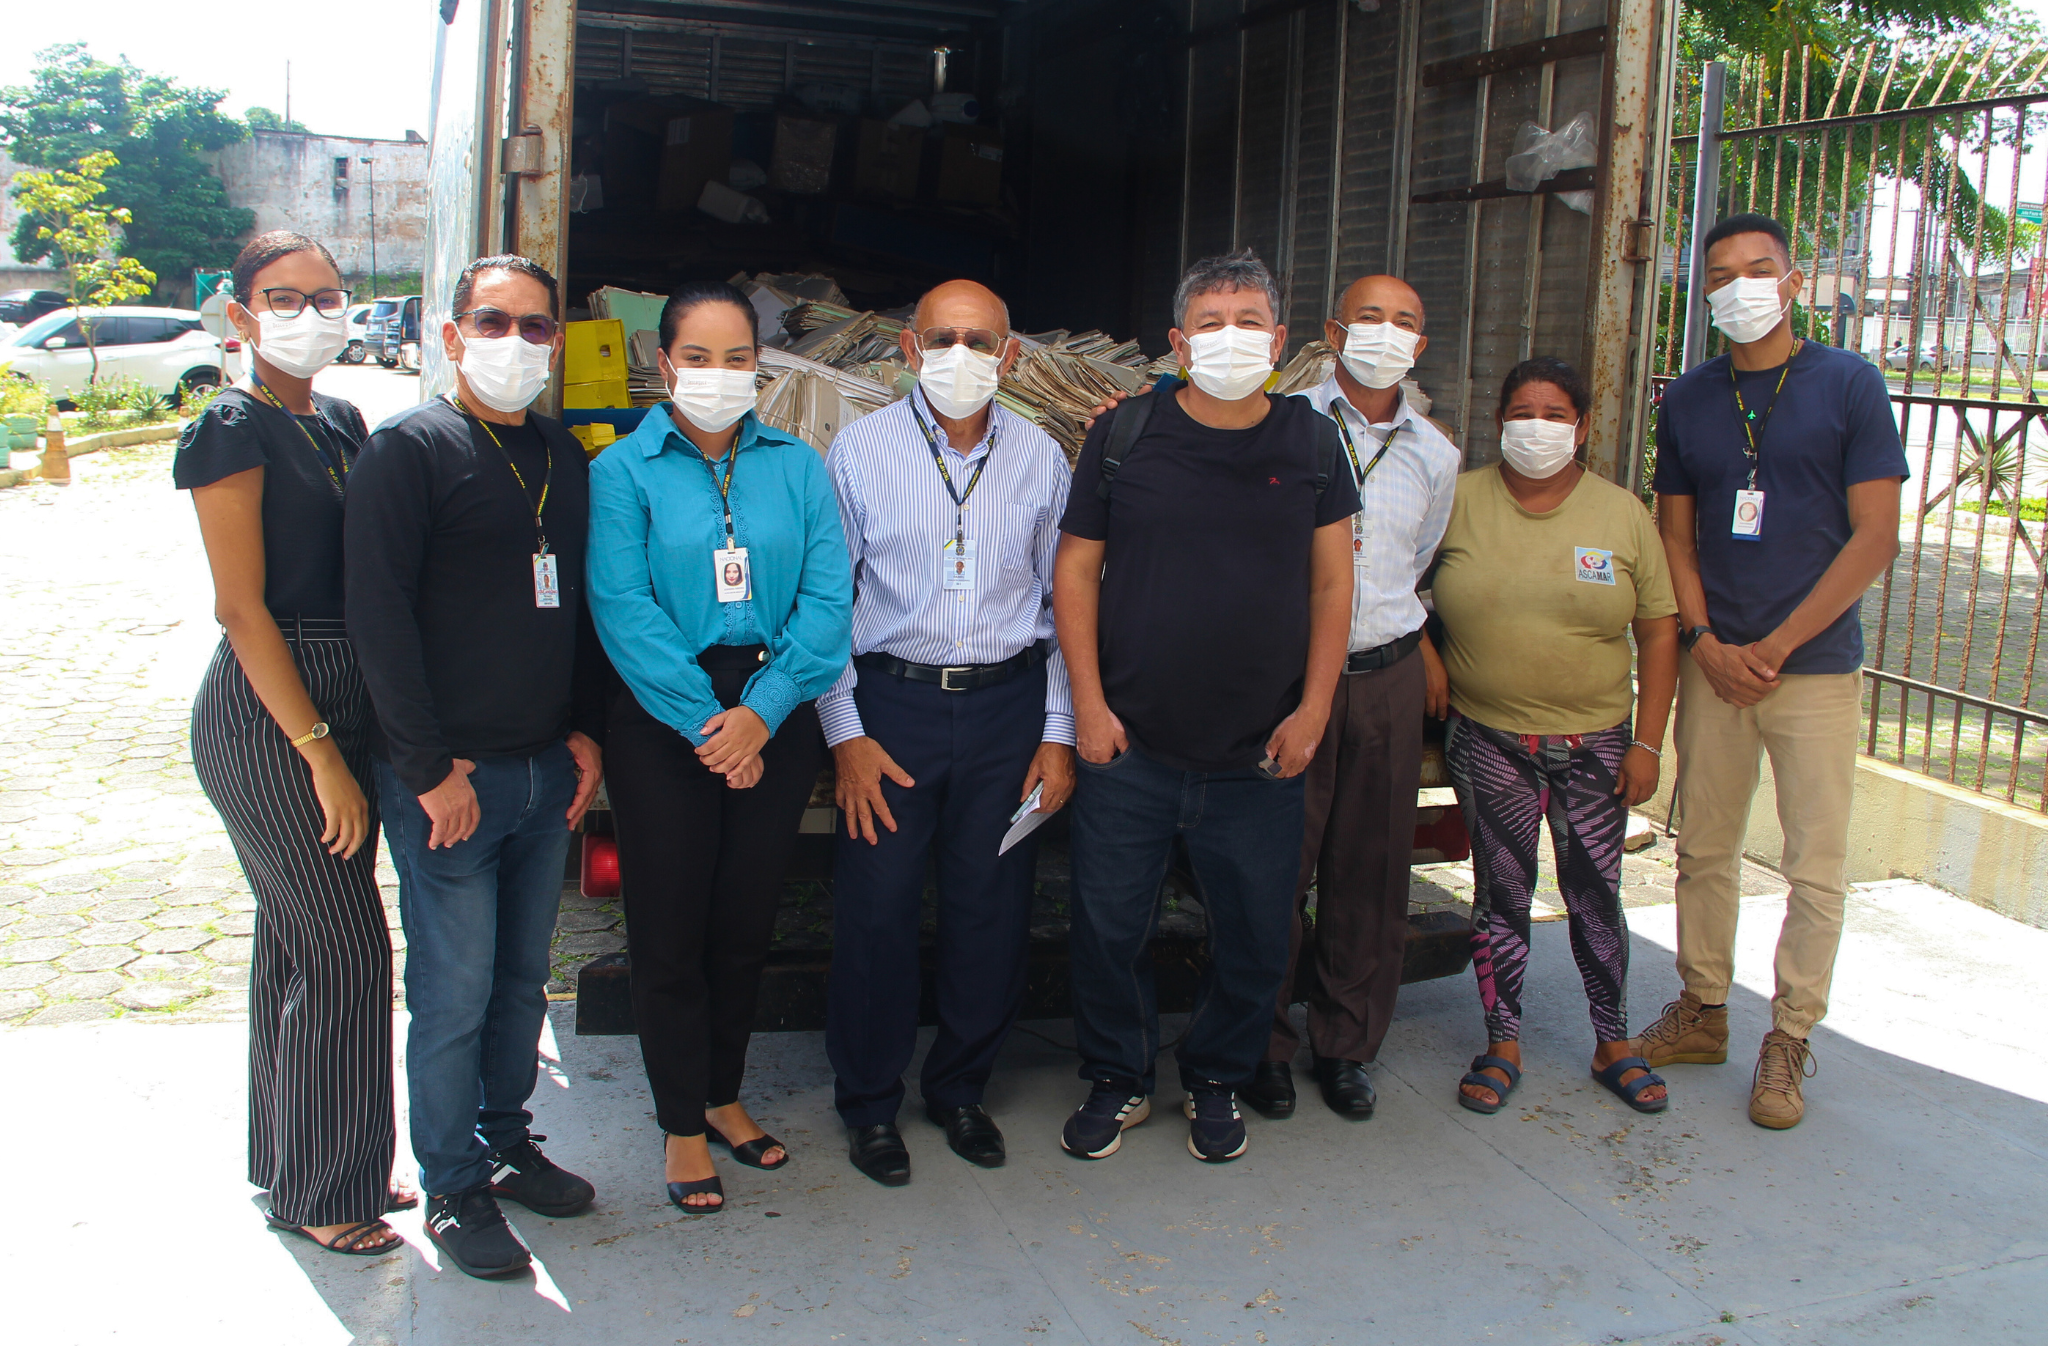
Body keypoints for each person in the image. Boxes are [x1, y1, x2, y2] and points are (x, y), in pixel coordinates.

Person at [1052, 250, 1357, 1165]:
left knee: (1260, 930)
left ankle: (1217, 1077)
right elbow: (1074, 569)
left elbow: (1335, 582)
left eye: (1249, 319)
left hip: (1260, 751)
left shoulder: (1310, 441)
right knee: (1108, 925)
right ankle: (1120, 1077)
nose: (1232, 338)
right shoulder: (1127, 434)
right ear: (1179, 343)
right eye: (1211, 323)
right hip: (1130, 743)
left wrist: (1312, 712)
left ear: (1280, 335)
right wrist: (1089, 708)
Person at [346, 254, 608, 1278]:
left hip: (545, 770)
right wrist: (424, 768)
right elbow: (378, 618)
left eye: (537, 327)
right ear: (451, 335)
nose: (516, 343)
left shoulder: (559, 453)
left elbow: (579, 602)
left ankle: (505, 1141)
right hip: (450, 784)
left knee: (518, 981)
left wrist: (583, 729)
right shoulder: (408, 453)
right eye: (493, 323)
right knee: (452, 990)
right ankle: (450, 1183)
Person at [587, 281, 852, 1213]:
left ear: (760, 365)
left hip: (772, 712)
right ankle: (681, 1126)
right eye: (697, 358)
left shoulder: (798, 466)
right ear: (664, 366)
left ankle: (726, 1095)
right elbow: (622, 609)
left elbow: (828, 605)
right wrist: (712, 721)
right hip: (667, 718)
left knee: (745, 922)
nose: (717, 374)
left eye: (737, 357)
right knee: (670, 930)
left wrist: (764, 712)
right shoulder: (622, 471)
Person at [1644, 214, 1906, 1129]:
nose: (1742, 286)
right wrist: (1708, 639)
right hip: (1718, 663)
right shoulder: (1689, 400)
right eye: (1722, 273)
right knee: (1703, 848)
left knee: (1814, 865)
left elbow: (1876, 535)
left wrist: (1779, 645)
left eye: (1761, 269)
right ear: (1704, 291)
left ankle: (1789, 1035)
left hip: (1812, 668)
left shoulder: (1849, 385)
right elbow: (1677, 537)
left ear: (1794, 283)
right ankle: (1704, 1008)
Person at [820, 280, 1076, 1186]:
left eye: (980, 340)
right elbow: (827, 606)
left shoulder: (1044, 458)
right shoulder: (857, 453)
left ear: (1012, 356)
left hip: (1009, 709)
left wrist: (1058, 734)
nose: (960, 356)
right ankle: (870, 1103)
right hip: (893, 707)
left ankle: (961, 1088)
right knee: (878, 910)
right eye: (942, 338)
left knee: (991, 911)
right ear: (906, 346)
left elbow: (1063, 608)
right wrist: (846, 734)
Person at [180, 230, 405, 1257]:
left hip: (347, 692)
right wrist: (317, 749)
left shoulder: (343, 420)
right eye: (284, 296)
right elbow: (240, 608)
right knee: (348, 946)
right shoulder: (232, 426)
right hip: (275, 707)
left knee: (297, 942)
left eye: (326, 295)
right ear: (239, 312)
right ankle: (327, 1186)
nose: (309, 314)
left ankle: (299, 1157)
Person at [1431, 356, 1680, 1117]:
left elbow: (1659, 631)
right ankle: (1502, 1041)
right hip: (1489, 739)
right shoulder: (1458, 500)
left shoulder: (1621, 515)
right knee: (1502, 896)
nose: (1535, 427)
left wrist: (1646, 745)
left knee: (1596, 895)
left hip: (1597, 747)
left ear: (1581, 427)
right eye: (1521, 412)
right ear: (1499, 420)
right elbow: (1391, 586)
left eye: (1553, 415)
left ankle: (1615, 1041)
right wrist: (1423, 656)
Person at [1244, 274, 1461, 1122]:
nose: (1386, 332)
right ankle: (1259, 1043)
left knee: (1369, 870)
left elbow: (1420, 564)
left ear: (1421, 346)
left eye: (1404, 321)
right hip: (1289, 683)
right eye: (1369, 317)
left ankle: (1346, 1046)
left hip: (1385, 677)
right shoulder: (1282, 420)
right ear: (1333, 331)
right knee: (1272, 867)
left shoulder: (1436, 454)